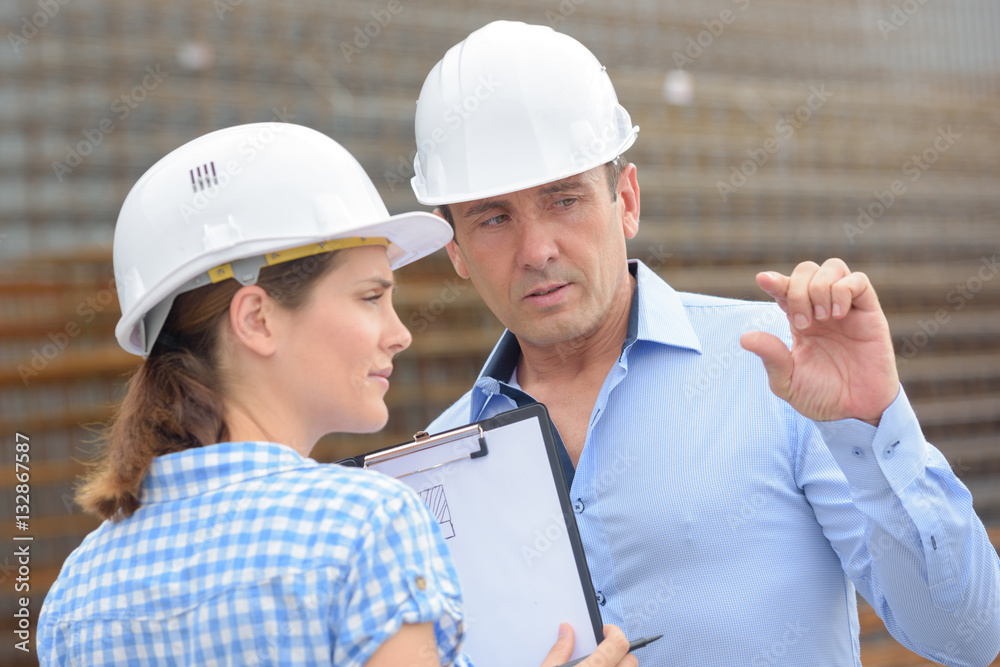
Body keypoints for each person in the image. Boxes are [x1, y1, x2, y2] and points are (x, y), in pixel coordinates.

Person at [412, 20, 1000, 667]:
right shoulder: (429, 479)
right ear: (456, 251)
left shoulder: (777, 367)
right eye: (494, 217)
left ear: (626, 201)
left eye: (564, 200)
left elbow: (969, 636)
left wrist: (873, 423)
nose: (537, 250)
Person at [36, 123, 637, 667]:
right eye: (371, 297)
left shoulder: (77, 594)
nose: (399, 334)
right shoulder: (366, 525)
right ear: (257, 320)